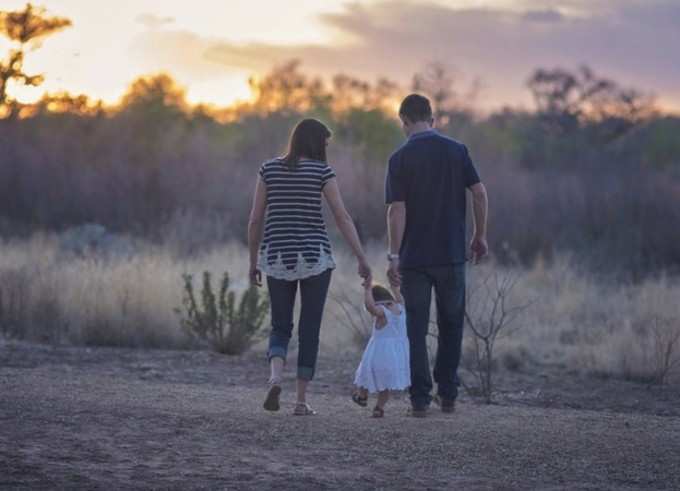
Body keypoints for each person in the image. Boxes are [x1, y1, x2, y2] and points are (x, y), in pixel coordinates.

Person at [247, 118, 371, 416]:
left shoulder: (269, 169)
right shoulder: (322, 172)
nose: (326, 149)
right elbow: (342, 218)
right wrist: (361, 257)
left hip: (276, 256)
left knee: (280, 325)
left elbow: (255, 219)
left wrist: (253, 262)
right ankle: (301, 401)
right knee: (309, 328)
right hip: (315, 258)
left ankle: (276, 378)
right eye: (325, 143)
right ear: (317, 143)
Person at [385, 94, 489, 417]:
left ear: (404, 120)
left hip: (414, 258)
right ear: (432, 118)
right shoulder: (457, 151)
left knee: (415, 328)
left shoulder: (399, 158)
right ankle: (448, 394)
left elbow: (396, 211)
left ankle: (419, 399)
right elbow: (480, 193)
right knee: (451, 324)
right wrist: (479, 235)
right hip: (451, 254)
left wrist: (393, 255)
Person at [352, 280, 410, 418]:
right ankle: (379, 408)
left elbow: (370, 307)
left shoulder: (382, 312)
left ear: (378, 302)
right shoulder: (401, 308)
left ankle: (362, 396)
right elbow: (399, 296)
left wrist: (367, 290)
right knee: (386, 384)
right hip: (397, 356)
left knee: (365, 373)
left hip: (379, 353)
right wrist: (395, 287)